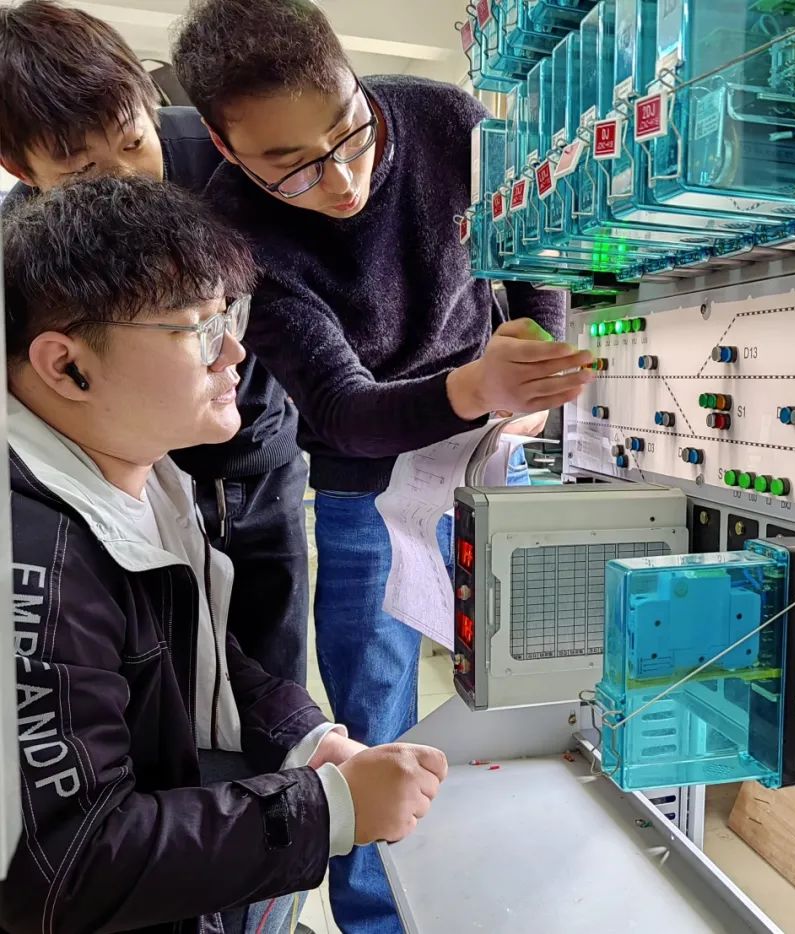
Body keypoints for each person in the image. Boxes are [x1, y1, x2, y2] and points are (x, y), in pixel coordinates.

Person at [171, 2, 592, 929]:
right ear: (227, 147)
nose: (343, 179)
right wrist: (475, 386)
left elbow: (537, 243)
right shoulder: (233, 232)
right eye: (293, 165)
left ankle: (513, 882)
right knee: (375, 716)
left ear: (357, 82)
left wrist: (536, 351)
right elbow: (339, 408)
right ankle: (379, 917)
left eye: (349, 132)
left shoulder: (445, 120)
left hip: (491, 451)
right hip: (369, 481)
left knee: (525, 684)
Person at [0, 174, 448, 934]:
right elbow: (59, 868)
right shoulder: (34, 557)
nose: (236, 352)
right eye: (199, 329)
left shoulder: (145, 473)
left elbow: (200, 654)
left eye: (229, 314)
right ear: (66, 365)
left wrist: (308, 739)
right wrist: (327, 811)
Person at [0, 0, 310, 689]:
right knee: (163, 678)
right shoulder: (21, 255)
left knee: (270, 671)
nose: (126, 179)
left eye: (134, 142)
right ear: (18, 165)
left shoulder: (229, 161)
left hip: (257, 460)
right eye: (81, 169)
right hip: (127, 492)